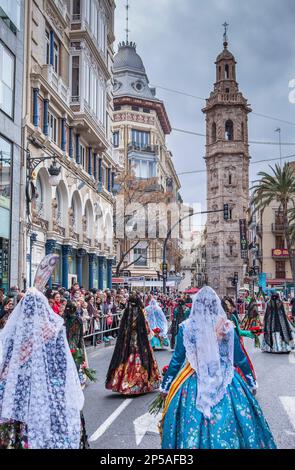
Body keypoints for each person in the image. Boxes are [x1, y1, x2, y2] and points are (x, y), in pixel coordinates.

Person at [160, 286, 276, 449]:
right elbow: (240, 358)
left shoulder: (186, 328)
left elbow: (177, 360)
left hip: (194, 382)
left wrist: (165, 386)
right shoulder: (226, 326)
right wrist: (251, 382)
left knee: (190, 422)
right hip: (226, 381)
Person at [0, 287, 84, 449]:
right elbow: (62, 362)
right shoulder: (54, 329)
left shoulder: (15, 330)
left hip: (20, 385)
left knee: (18, 421)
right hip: (49, 386)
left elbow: (7, 360)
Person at [105, 293, 161, 395]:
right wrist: (151, 334)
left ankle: (124, 383)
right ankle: (140, 384)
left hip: (128, 341)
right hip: (141, 341)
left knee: (125, 358)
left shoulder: (126, 312)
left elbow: (122, 327)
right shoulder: (141, 312)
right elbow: (146, 328)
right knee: (143, 359)